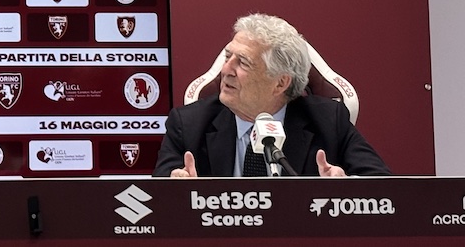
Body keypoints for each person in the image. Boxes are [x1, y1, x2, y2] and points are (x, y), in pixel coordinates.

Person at [154, 14, 390, 178]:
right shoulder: (188, 125)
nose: (225, 71)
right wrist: (177, 192)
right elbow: (158, 203)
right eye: (228, 57)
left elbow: (385, 188)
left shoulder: (329, 121)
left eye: (243, 62)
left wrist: (347, 188)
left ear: (280, 83)